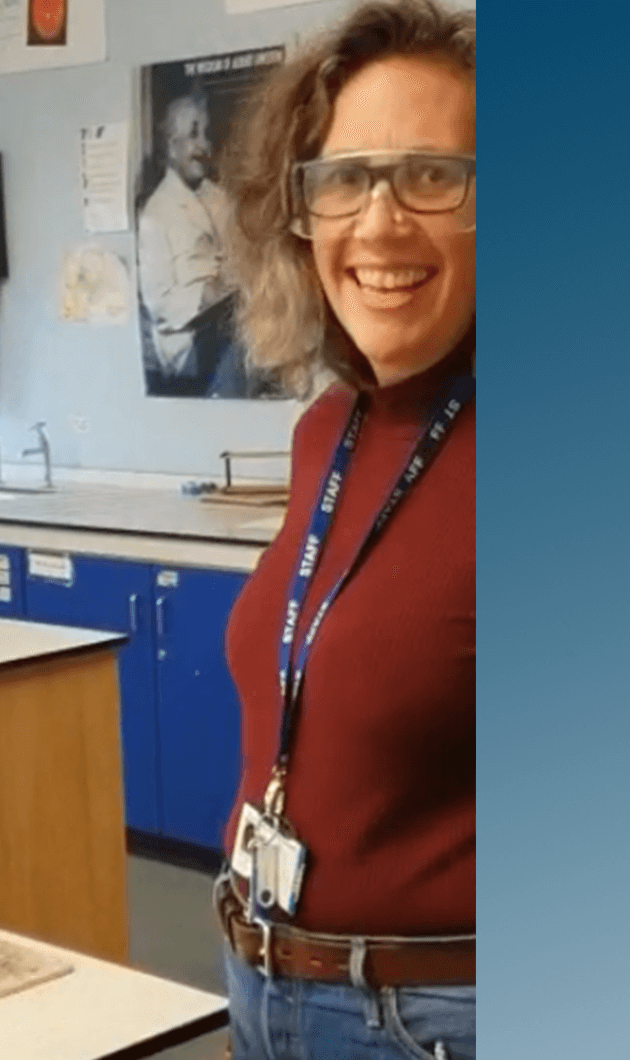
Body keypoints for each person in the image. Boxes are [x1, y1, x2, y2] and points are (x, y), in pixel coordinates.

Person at [213, 1, 477, 1057]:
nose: (377, 224)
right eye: (344, 178)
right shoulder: (331, 426)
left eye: (430, 175)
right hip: (266, 985)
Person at [136, 92, 239, 396]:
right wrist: (209, 293)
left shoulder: (220, 198)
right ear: (171, 146)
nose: (204, 145)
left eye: (206, 134)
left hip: (231, 320)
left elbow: (244, 258)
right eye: (194, 134)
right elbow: (159, 304)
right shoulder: (156, 213)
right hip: (190, 342)